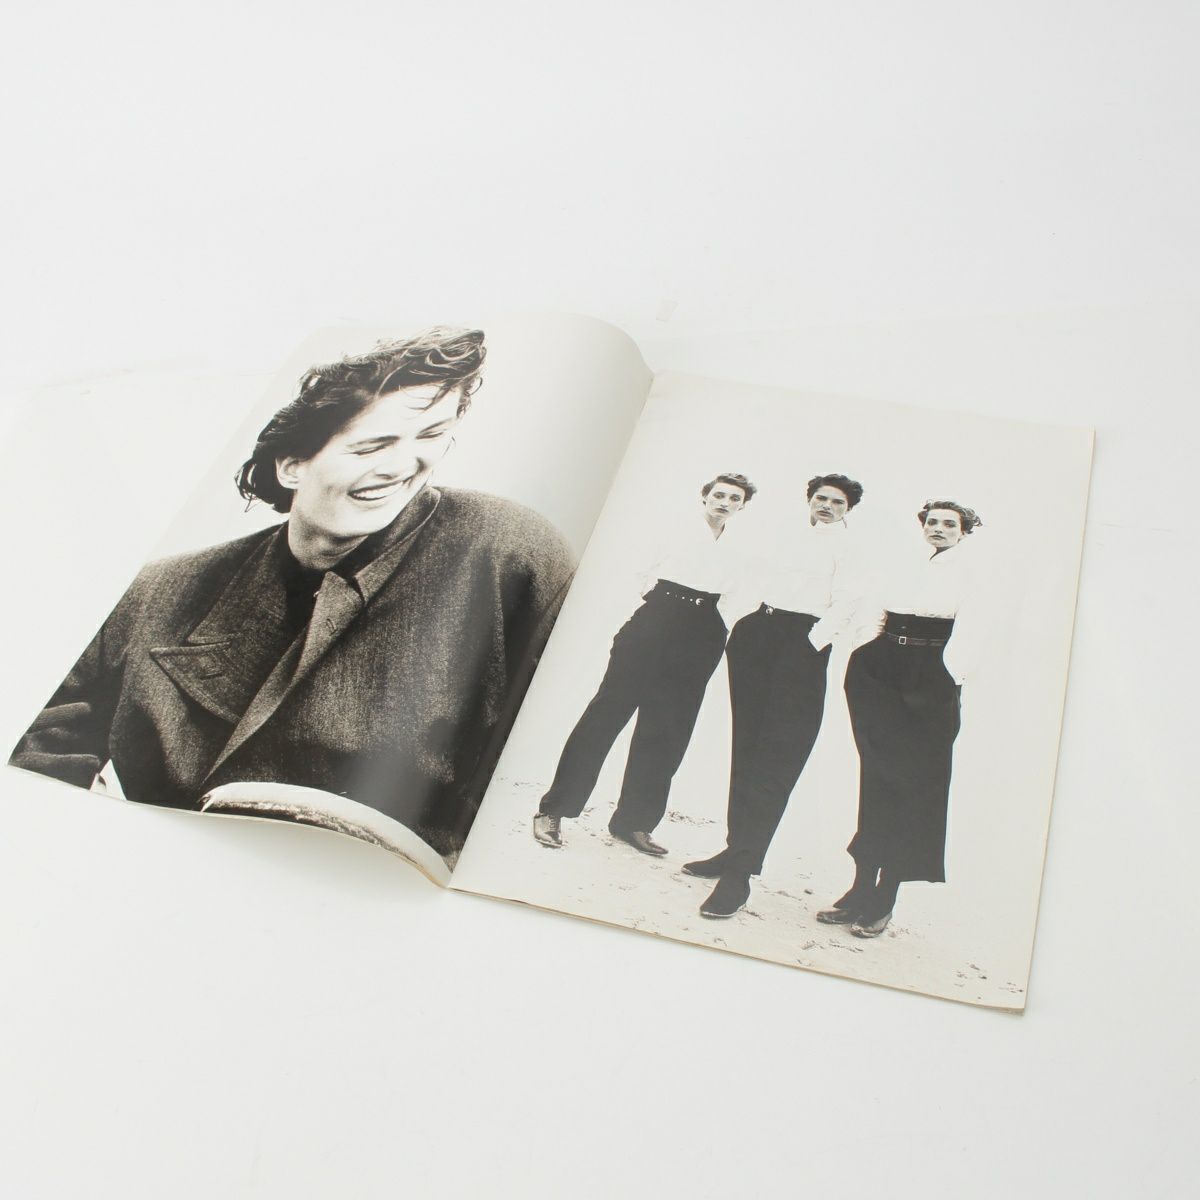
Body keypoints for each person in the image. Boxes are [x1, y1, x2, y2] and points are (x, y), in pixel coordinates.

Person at [10, 328, 575, 861]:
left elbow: (538, 750)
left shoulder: (507, 551)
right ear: (292, 467)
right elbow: (37, 755)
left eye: (430, 436)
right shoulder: (159, 590)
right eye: (372, 446)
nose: (404, 467)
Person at [532, 473, 754, 856]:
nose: (725, 502)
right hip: (655, 621)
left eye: (734, 498)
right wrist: (664, 607)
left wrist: (716, 623)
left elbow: (741, 592)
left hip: (702, 634)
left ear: (742, 506)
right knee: (606, 715)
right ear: (704, 496)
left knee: (667, 729)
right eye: (719, 494)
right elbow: (638, 570)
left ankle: (634, 823)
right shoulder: (672, 527)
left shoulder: (739, 546)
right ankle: (553, 810)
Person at [684, 473, 864, 918]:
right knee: (746, 748)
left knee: (777, 759)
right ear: (810, 499)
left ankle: (740, 875)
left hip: (802, 645)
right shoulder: (788, 535)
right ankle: (734, 849)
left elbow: (848, 604)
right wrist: (742, 622)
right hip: (758, 636)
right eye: (821, 498)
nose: (827, 505)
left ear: (848, 509)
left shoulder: (849, 548)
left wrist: (810, 643)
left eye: (837, 502)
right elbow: (752, 577)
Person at [817, 498, 982, 937]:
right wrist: (865, 654)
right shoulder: (903, 564)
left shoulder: (973, 573)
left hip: (930, 679)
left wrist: (947, 677)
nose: (939, 528)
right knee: (877, 779)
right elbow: (876, 610)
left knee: (913, 787)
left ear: (964, 531)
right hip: (881, 671)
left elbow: (976, 633)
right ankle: (859, 888)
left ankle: (885, 895)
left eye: (949, 524)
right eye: (932, 522)